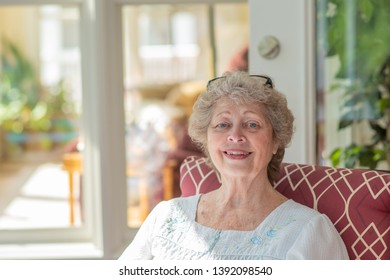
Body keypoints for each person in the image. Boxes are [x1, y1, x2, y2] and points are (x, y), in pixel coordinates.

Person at [119, 71, 349, 260]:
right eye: (222, 124)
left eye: (251, 124)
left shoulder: (307, 231)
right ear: (206, 140)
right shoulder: (166, 216)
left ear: (276, 141)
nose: (235, 136)